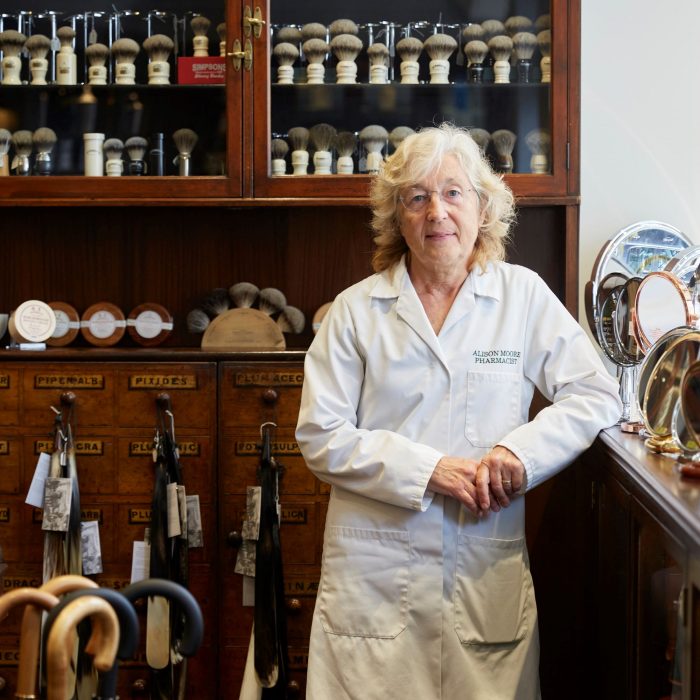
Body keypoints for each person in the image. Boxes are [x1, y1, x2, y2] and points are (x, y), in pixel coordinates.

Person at [295, 123, 622, 699]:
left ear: (483, 207)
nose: (436, 212)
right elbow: (321, 435)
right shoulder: (356, 311)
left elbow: (594, 393)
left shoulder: (520, 296)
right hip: (373, 586)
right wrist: (429, 471)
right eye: (416, 197)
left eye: (452, 193)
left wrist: (516, 453)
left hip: (481, 573)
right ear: (397, 216)